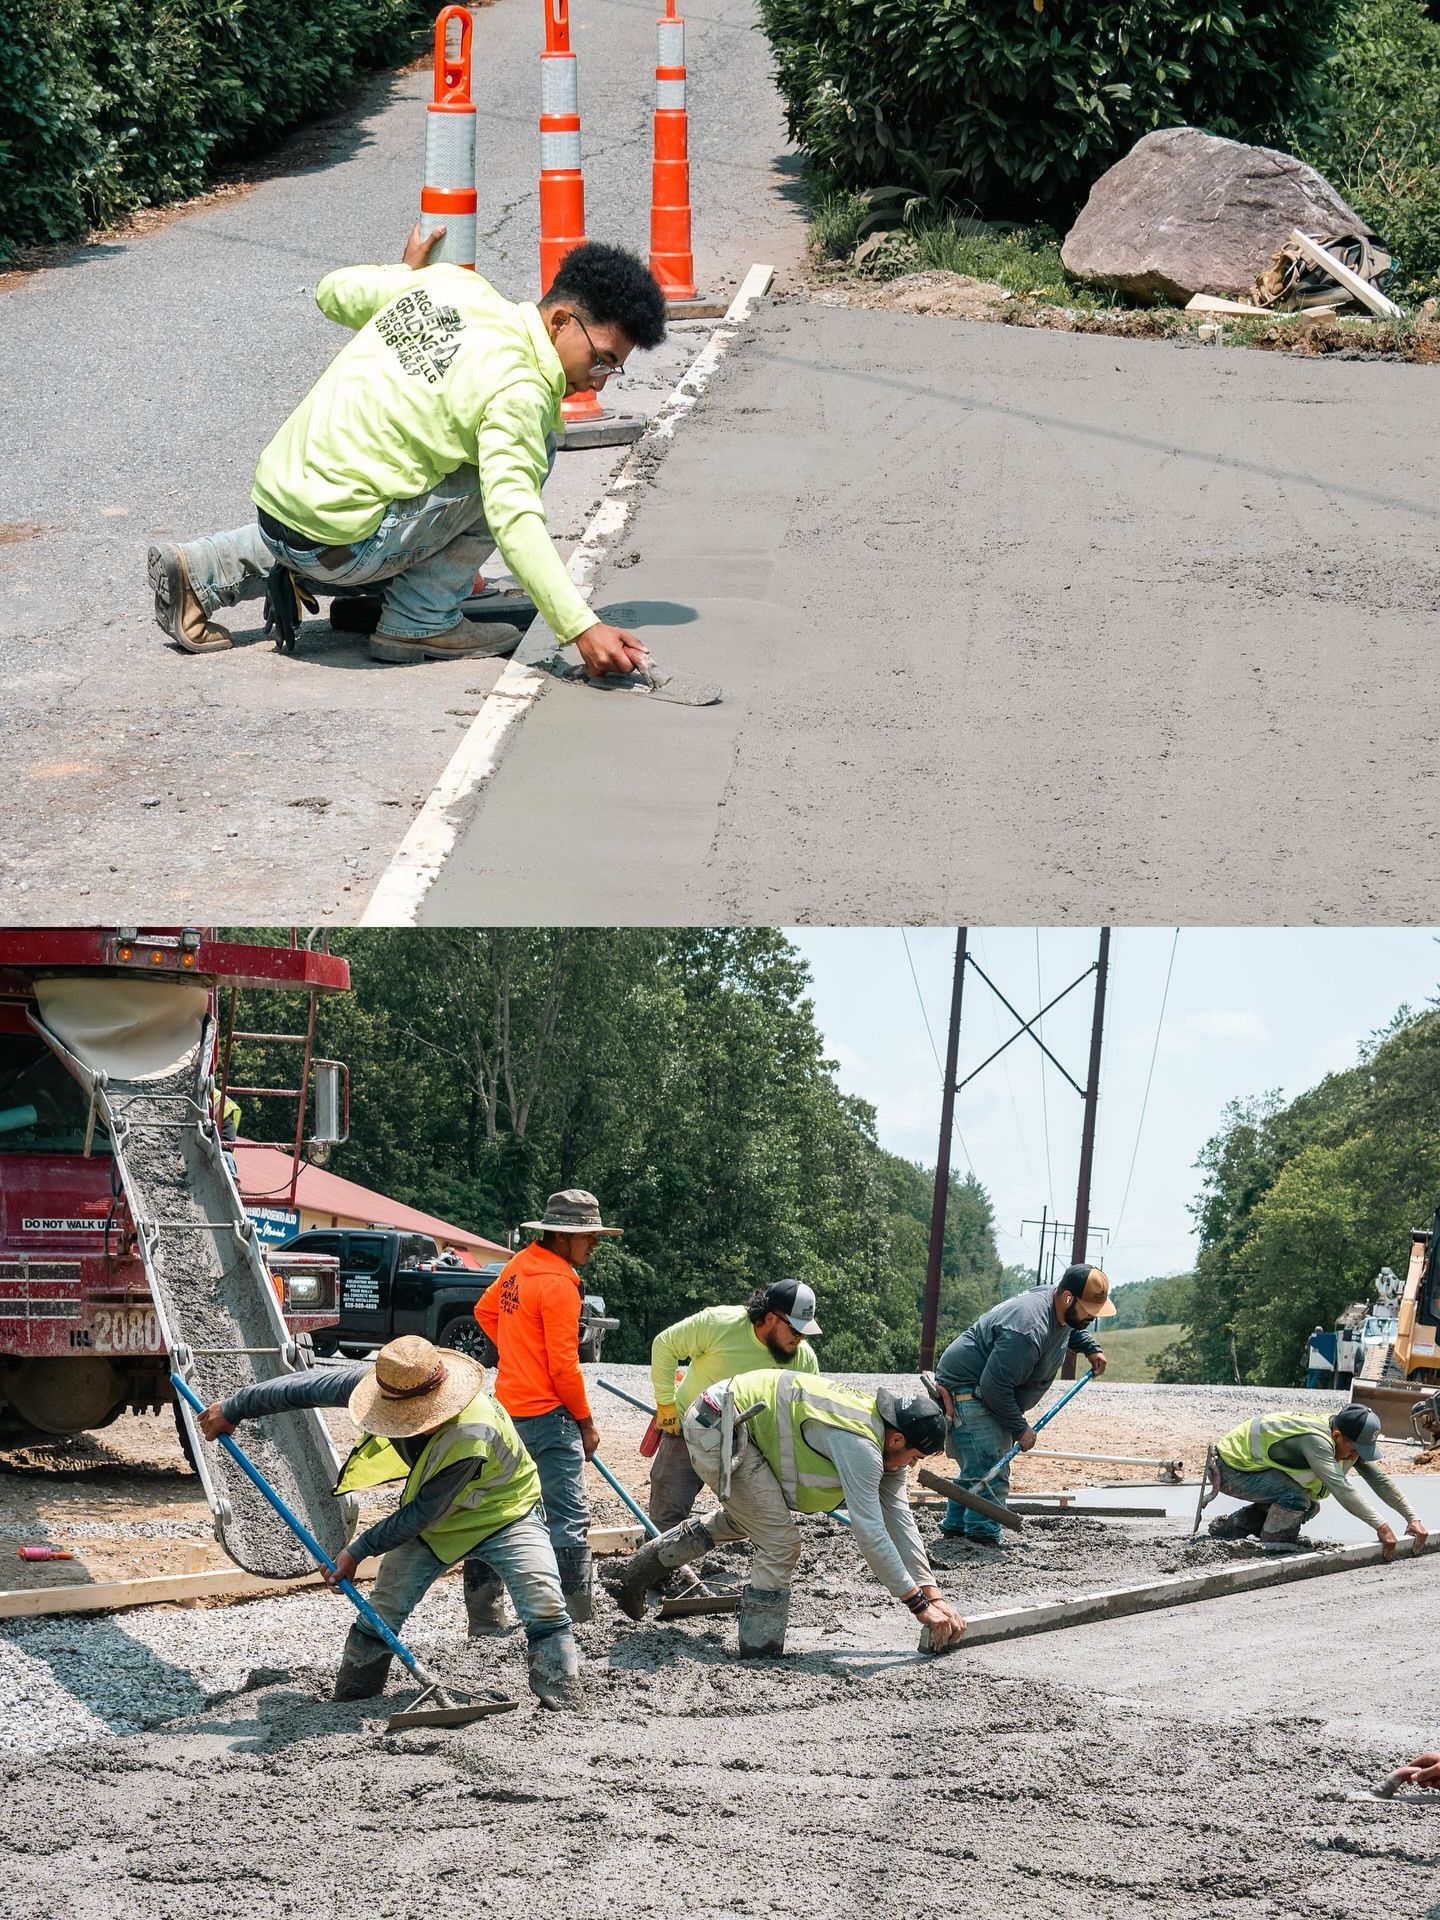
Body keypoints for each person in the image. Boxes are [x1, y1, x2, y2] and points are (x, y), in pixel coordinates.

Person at [148, 229, 666, 672]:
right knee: (530, 461)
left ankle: (205, 567)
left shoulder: (451, 285)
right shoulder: (521, 390)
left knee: (361, 492)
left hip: (277, 510)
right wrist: (580, 626)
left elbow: (332, 292)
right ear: (560, 321)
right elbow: (514, 515)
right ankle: (420, 619)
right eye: (601, 360)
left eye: (611, 369)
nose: (598, 382)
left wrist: (405, 276)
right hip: (340, 550)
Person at [197, 1335, 582, 1708]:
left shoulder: (471, 1431)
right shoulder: (387, 1385)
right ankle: (353, 1697)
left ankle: (563, 1701)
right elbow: (303, 1388)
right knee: (382, 1610)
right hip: (437, 1527)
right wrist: (235, 1407)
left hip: (504, 1512)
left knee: (544, 1602)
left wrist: (358, 1550)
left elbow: (421, 1513)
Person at [606, 1370, 967, 1657]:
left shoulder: (887, 1433)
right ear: (898, 1440)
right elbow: (871, 1532)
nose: (911, 1465)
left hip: (741, 1422)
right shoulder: (861, 1446)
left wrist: (933, 1594)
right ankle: (759, 1649)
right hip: (721, 1424)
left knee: (747, 1518)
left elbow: (899, 1519)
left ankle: (639, 1572)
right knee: (780, 1541)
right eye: (916, 1458)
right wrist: (917, 1605)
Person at [473, 1188, 620, 1625]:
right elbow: (564, 1369)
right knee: (567, 1518)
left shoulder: (520, 1265)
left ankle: (484, 1620)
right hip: (549, 1417)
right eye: (588, 1236)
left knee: (497, 1511)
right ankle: (574, 1620)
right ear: (561, 1237)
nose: (594, 1243)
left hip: (507, 1412)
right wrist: (587, 1423)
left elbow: (484, 1312)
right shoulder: (558, 1284)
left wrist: (518, 1355)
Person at [933, 1264, 1114, 1545]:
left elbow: (1070, 1329)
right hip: (971, 1391)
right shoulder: (1027, 1330)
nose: (1091, 1317)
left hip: (982, 1388)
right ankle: (982, 1540)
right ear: (1067, 1297)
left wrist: (1091, 1348)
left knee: (978, 1468)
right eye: (1088, 1310)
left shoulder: (1057, 1307)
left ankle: (956, 1529)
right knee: (991, 1469)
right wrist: (1020, 1429)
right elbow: (994, 1388)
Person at [647, 1279, 823, 1528]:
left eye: (805, 1332)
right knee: (667, 1510)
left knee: (758, 1515)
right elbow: (665, 1344)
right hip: (691, 1429)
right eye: (795, 1330)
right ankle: (659, 1558)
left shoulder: (803, 1359)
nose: (801, 1338)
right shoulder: (719, 1324)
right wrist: (666, 1404)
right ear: (771, 1318)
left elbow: (805, 1414)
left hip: (749, 1443)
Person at [1207, 1402, 1432, 1551]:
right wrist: (1381, 1526)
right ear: (1337, 1435)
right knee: (1295, 1497)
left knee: (1309, 1506)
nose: (1355, 1456)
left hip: (1250, 1468)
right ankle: (1274, 1548)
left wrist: (1412, 1518)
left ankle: (1236, 1527)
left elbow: (1379, 1480)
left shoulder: (1343, 1438)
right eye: (1355, 1449)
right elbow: (1342, 1488)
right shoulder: (1317, 1441)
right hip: (1229, 1468)